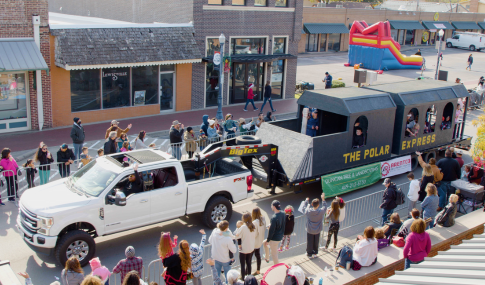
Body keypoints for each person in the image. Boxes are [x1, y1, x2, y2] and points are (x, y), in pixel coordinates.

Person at [302, 193, 327, 258]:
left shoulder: (308, 211)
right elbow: (325, 207)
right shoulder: (321, 211)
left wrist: (306, 201)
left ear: (312, 204)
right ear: (318, 205)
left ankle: (309, 253)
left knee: (309, 241)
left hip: (310, 230)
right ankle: (315, 252)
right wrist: (323, 199)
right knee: (316, 241)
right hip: (317, 229)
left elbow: (303, 208)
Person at [235, 212, 256, 280]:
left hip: (244, 249)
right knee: (249, 263)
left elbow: (237, 236)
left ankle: (243, 278)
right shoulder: (253, 226)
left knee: (243, 264)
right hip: (251, 248)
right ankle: (249, 277)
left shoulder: (243, 227)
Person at [265, 200, 286, 264]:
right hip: (280, 236)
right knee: (264, 243)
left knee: (274, 255)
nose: (271, 207)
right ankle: (267, 257)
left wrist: (268, 240)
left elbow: (271, 231)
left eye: (271, 205)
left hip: (274, 239)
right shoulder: (283, 213)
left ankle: (277, 268)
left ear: (274, 207)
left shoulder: (274, 218)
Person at [251, 207, 266, 276]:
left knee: (249, 258)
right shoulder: (263, 219)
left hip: (254, 242)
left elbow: (254, 234)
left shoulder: (254, 222)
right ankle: (258, 270)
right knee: (258, 255)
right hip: (260, 240)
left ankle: (246, 272)